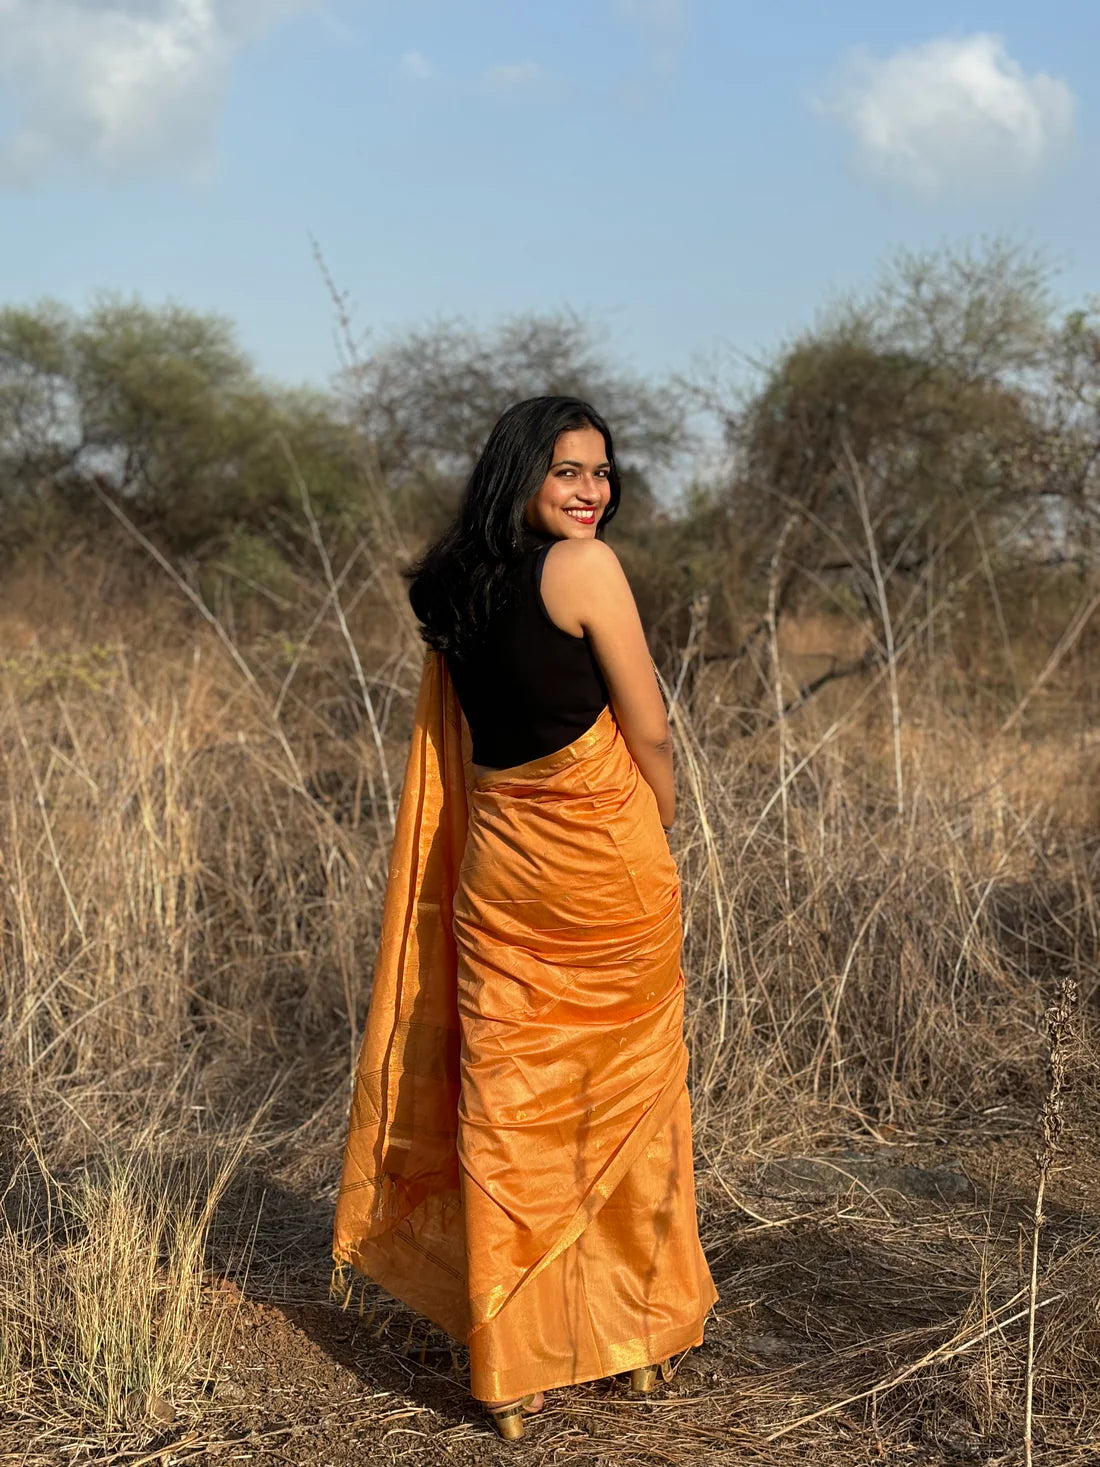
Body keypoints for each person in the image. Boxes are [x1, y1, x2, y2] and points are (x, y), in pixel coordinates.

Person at [333, 396, 717, 1441]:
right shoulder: (585, 569)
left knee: (511, 1111)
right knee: (625, 1098)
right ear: (523, 476)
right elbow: (648, 727)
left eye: (602, 471)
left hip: (498, 868)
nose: (593, 491)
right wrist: (659, 824)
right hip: (602, 869)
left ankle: (509, 1368)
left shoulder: (454, 586)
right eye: (568, 471)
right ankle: (634, 1336)